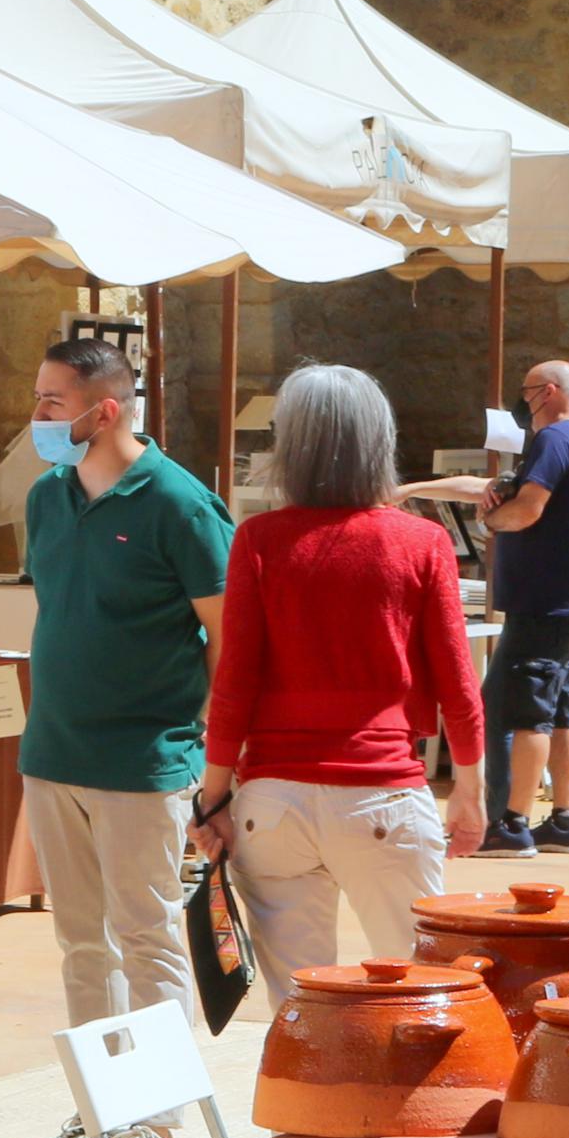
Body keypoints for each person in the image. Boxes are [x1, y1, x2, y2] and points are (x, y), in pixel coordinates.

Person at [10, 335, 233, 1138]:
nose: (36, 416)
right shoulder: (46, 497)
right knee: (79, 944)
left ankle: (155, 1128)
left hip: (145, 760)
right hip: (54, 753)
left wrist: (214, 755)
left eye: (51, 402)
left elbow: (229, 633)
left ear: (104, 411)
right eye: (37, 398)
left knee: (145, 941)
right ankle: (102, 1111)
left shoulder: (178, 502)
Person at [200, 364, 487, 969]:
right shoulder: (422, 543)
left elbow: (235, 680)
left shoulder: (259, 539)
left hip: (273, 801)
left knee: (300, 1009)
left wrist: (214, 794)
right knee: (422, 993)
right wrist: (469, 790)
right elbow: (458, 685)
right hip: (382, 792)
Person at [463, 360, 569, 854]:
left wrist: (491, 520)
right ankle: (566, 820)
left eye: (526, 393)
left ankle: (513, 822)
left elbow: (528, 509)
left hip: (544, 601)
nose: (521, 404)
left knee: (526, 712)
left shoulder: (553, 441)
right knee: (564, 708)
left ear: (548, 391)